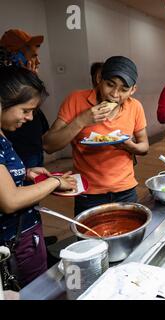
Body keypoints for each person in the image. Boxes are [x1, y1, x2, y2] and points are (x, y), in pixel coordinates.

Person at [43, 56, 149, 215]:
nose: (114, 94)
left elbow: (144, 146)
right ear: (99, 79)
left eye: (123, 90)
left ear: (133, 90)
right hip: (88, 192)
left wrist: (131, 147)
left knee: (129, 237)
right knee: (91, 238)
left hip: (126, 190)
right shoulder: (76, 100)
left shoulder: (135, 107)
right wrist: (82, 120)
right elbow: (49, 145)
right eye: (110, 85)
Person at [0, 66, 75, 287]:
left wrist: (24, 173)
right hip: (12, 245)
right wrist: (55, 181)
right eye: (25, 110)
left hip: (22, 238)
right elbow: (10, 201)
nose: (30, 117)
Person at [0, 29, 50, 169]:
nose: (38, 61)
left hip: (33, 146)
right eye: (33, 56)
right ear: (14, 55)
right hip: (21, 149)